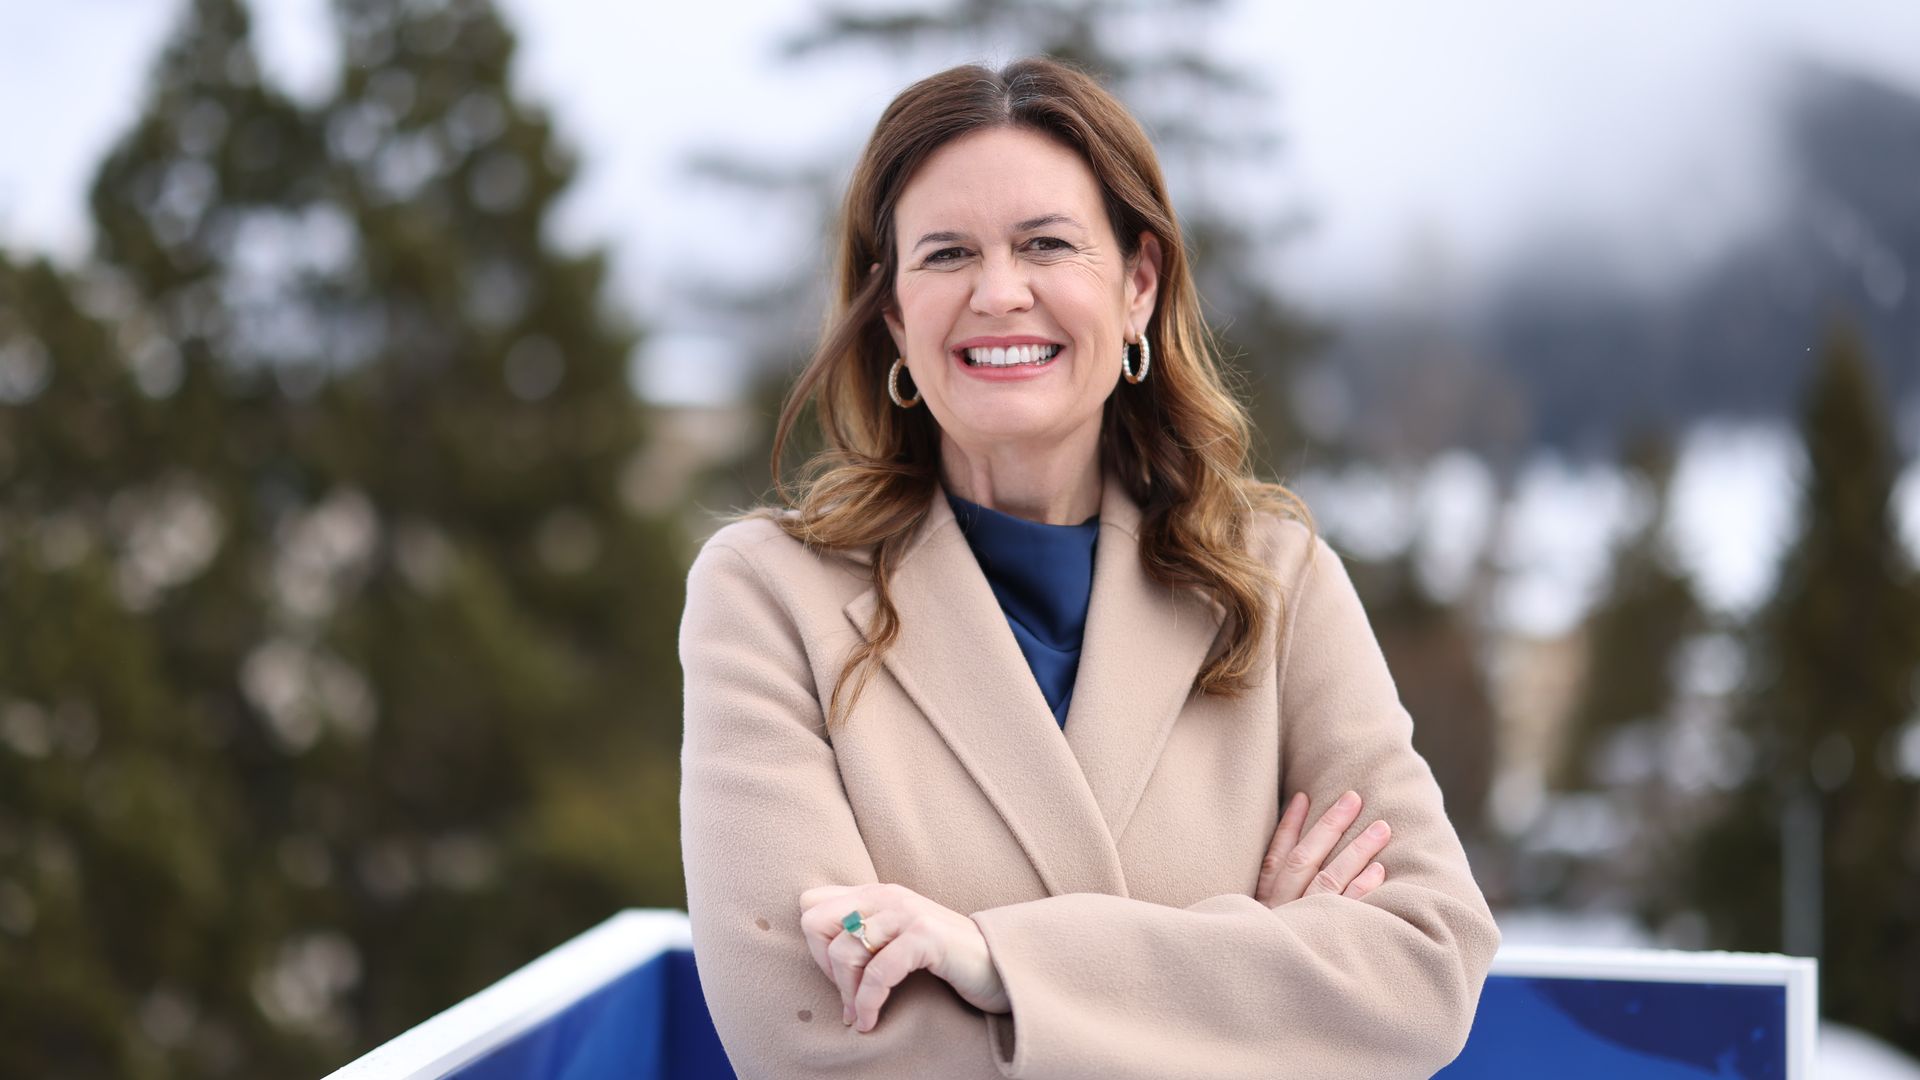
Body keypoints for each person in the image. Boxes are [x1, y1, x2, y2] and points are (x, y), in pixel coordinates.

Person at [678, 55, 1499, 1080]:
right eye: (945, 255)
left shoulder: (1277, 582)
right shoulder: (767, 598)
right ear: (893, 314)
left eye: (1046, 244)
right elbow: (804, 1043)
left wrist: (993, 962)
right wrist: (1262, 968)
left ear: (1138, 286)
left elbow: (1424, 970)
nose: (998, 292)